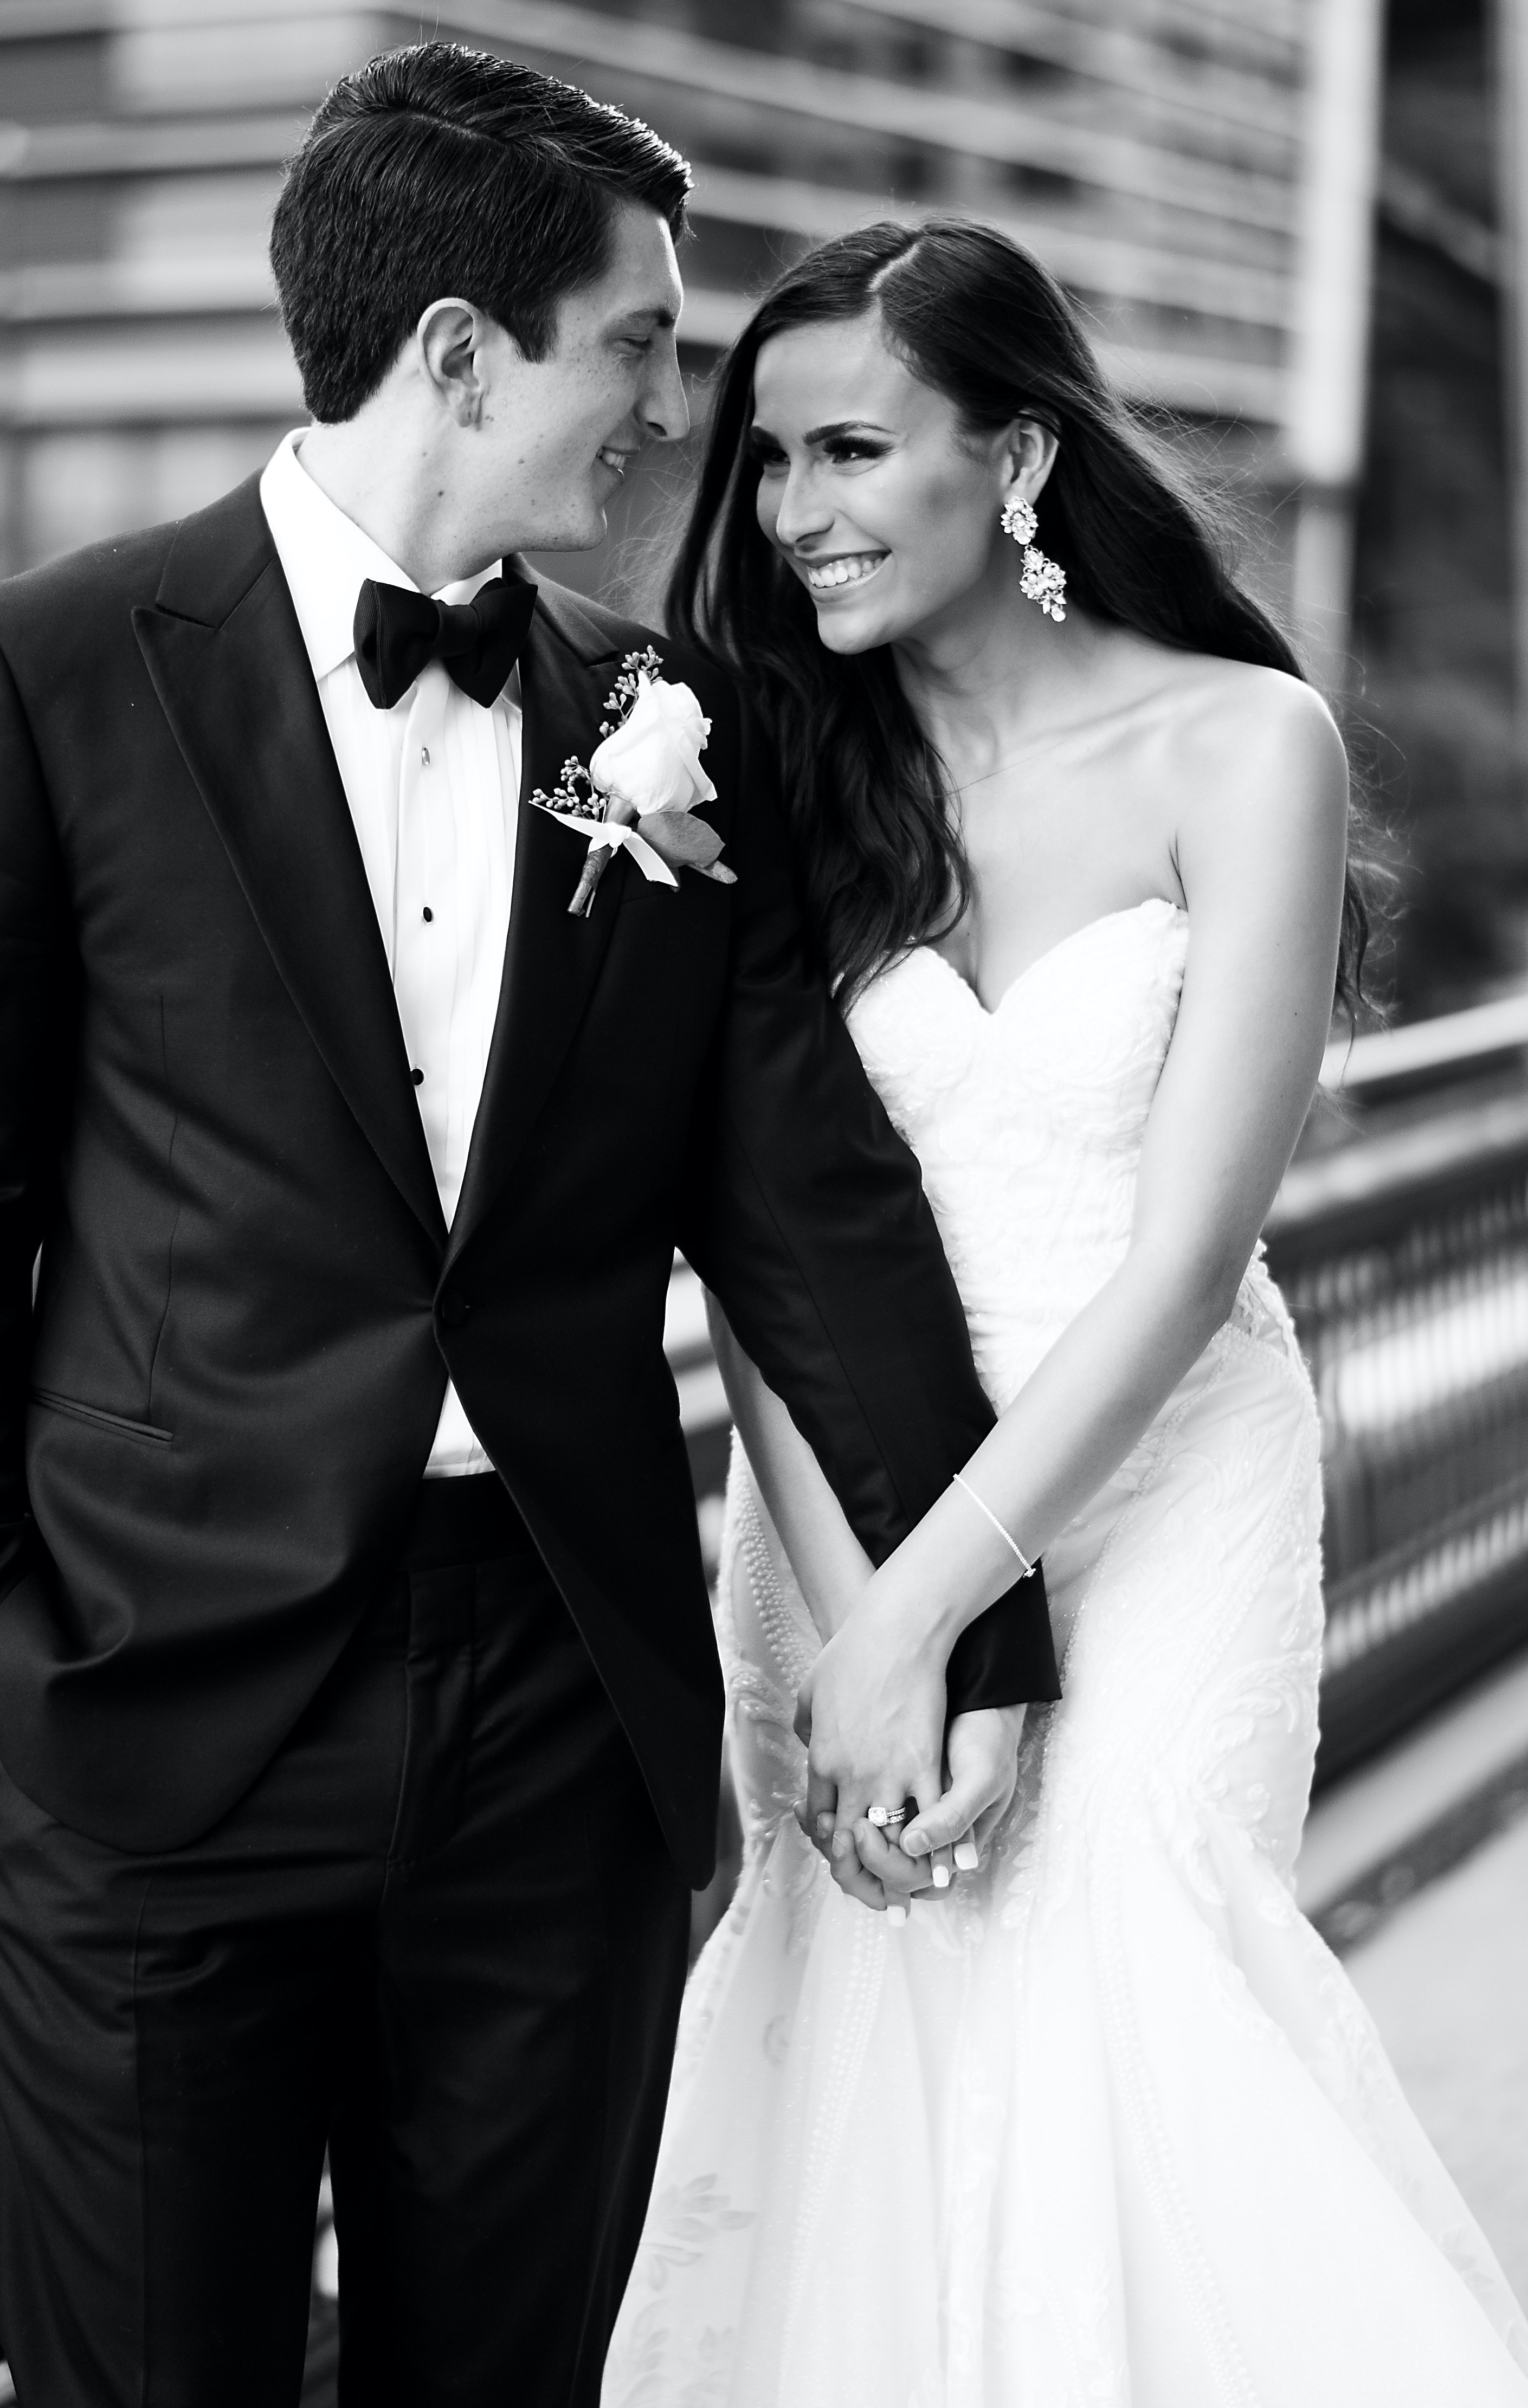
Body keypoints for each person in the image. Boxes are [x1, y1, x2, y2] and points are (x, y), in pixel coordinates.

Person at [0, 56, 1059, 2407]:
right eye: (641, 345)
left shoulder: (675, 718)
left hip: (556, 1716)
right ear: (467, 355)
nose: (671, 412)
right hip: (148, 1710)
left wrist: (967, 1631)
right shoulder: (44, 671)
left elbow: (809, 1208)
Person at [605, 219, 1528, 2407]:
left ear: (1015, 458)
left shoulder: (1244, 743)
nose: (793, 507)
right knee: (862, 2037)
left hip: (1165, 1478)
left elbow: (1192, 1253)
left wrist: (953, 1612)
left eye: (853, 448)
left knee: (1144, 2002)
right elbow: (754, 1246)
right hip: (839, 1506)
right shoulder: (769, 778)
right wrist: (867, 1628)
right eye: (766, 459)